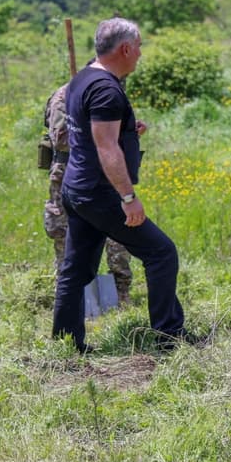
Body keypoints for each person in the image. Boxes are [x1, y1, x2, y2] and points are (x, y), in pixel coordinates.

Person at [51, 17, 191, 353]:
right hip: (100, 194)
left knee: (77, 268)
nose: (141, 53)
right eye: (139, 46)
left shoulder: (83, 78)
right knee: (161, 253)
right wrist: (128, 197)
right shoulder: (106, 90)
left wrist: (128, 129)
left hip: (76, 188)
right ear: (125, 48)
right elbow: (106, 148)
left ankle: (67, 343)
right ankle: (168, 336)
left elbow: (92, 130)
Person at [44, 80, 133, 305]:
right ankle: (70, 295)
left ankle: (120, 293)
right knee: (64, 232)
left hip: (105, 173)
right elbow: (61, 140)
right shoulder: (64, 96)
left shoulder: (106, 92)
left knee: (117, 230)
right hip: (69, 173)